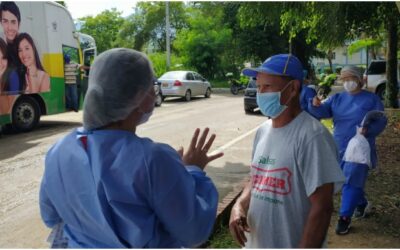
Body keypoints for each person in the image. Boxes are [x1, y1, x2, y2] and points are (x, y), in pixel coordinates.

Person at [39, 48, 223, 248]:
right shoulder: (153, 159)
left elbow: (50, 216)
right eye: (151, 85)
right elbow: (193, 231)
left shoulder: (59, 150)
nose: (154, 92)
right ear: (139, 97)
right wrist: (192, 171)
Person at [229, 54, 344, 248]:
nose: (260, 93)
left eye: (267, 87)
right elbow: (257, 178)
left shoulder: (312, 137)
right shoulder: (263, 131)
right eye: (258, 87)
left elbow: (322, 207)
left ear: (292, 89)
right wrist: (240, 204)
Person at [307, 65, 386, 235]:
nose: (347, 82)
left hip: (359, 148)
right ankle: (362, 204)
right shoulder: (337, 99)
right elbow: (321, 111)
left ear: (359, 79)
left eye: (350, 78)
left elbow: (380, 120)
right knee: (346, 181)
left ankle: (344, 218)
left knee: (351, 180)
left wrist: (368, 130)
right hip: (339, 147)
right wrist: (314, 104)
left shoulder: (371, 100)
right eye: (344, 79)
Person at [0, 1, 24, 91]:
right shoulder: (1, 44)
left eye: (13, 22)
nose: (9, 27)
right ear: (1, 23)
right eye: (5, 21)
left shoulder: (26, 44)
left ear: (19, 24)